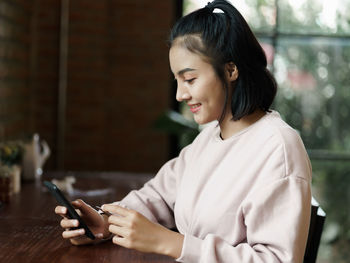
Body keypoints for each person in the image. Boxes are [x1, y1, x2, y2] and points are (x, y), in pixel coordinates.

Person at [54, 0, 312, 262]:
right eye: (177, 80)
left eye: (190, 79)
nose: (179, 94)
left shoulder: (278, 148)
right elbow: (159, 196)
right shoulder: (209, 137)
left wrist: (173, 243)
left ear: (231, 70)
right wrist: (106, 222)